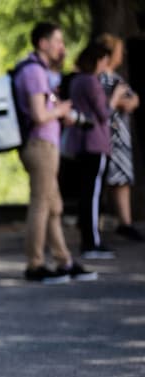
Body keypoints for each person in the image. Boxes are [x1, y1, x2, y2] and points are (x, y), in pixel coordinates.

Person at [14, 22, 96, 283]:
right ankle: (34, 265)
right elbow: (39, 115)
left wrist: (59, 112)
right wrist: (60, 112)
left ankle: (64, 261)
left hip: (43, 144)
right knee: (41, 204)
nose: (62, 47)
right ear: (43, 43)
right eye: (58, 41)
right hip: (40, 145)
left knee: (54, 206)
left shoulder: (33, 70)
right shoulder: (35, 72)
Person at [64, 42, 128, 259]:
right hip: (94, 142)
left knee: (87, 193)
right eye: (103, 61)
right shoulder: (90, 81)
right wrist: (116, 96)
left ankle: (90, 240)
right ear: (97, 61)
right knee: (92, 195)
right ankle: (91, 242)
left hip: (82, 142)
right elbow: (104, 113)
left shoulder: (76, 80)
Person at [96, 33, 142, 242]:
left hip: (120, 135)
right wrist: (122, 100)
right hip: (109, 134)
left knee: (122, 178)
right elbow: (115, 104)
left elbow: (133, 101)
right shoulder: (101, 77)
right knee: (108, 179)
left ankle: (126, 222)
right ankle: (105, 221)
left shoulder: (116, 77)